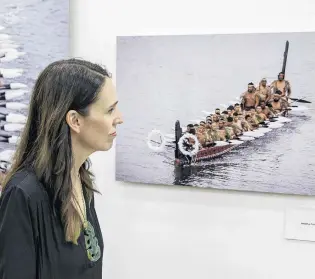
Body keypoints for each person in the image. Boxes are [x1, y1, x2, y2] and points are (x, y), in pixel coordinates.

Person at [0, 58, 123, 279]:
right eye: (110, 110)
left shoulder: (81, 181)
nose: (119, 119)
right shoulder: (23, 195)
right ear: (75, 120)